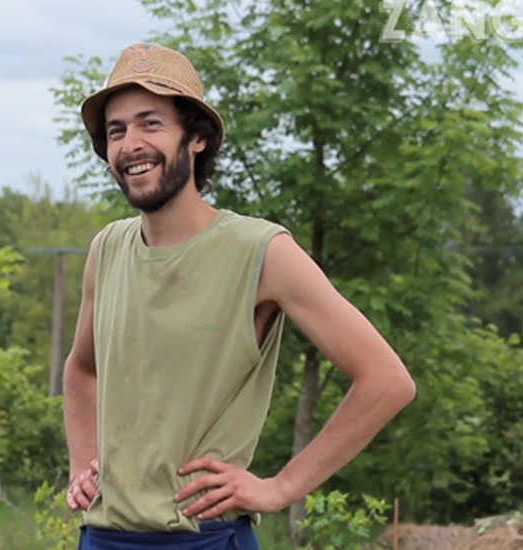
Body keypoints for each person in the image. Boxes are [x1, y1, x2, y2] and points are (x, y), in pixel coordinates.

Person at [61, 42, 417, 550]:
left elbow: (386, 380)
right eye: (116, 130)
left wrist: (281, 488)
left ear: (196, 138)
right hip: (103, 537)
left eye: (150, 124)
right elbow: (82, 369)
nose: (129, 144)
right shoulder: (108, 250)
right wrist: (82, 462)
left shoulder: (261, 251)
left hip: (203, 537)